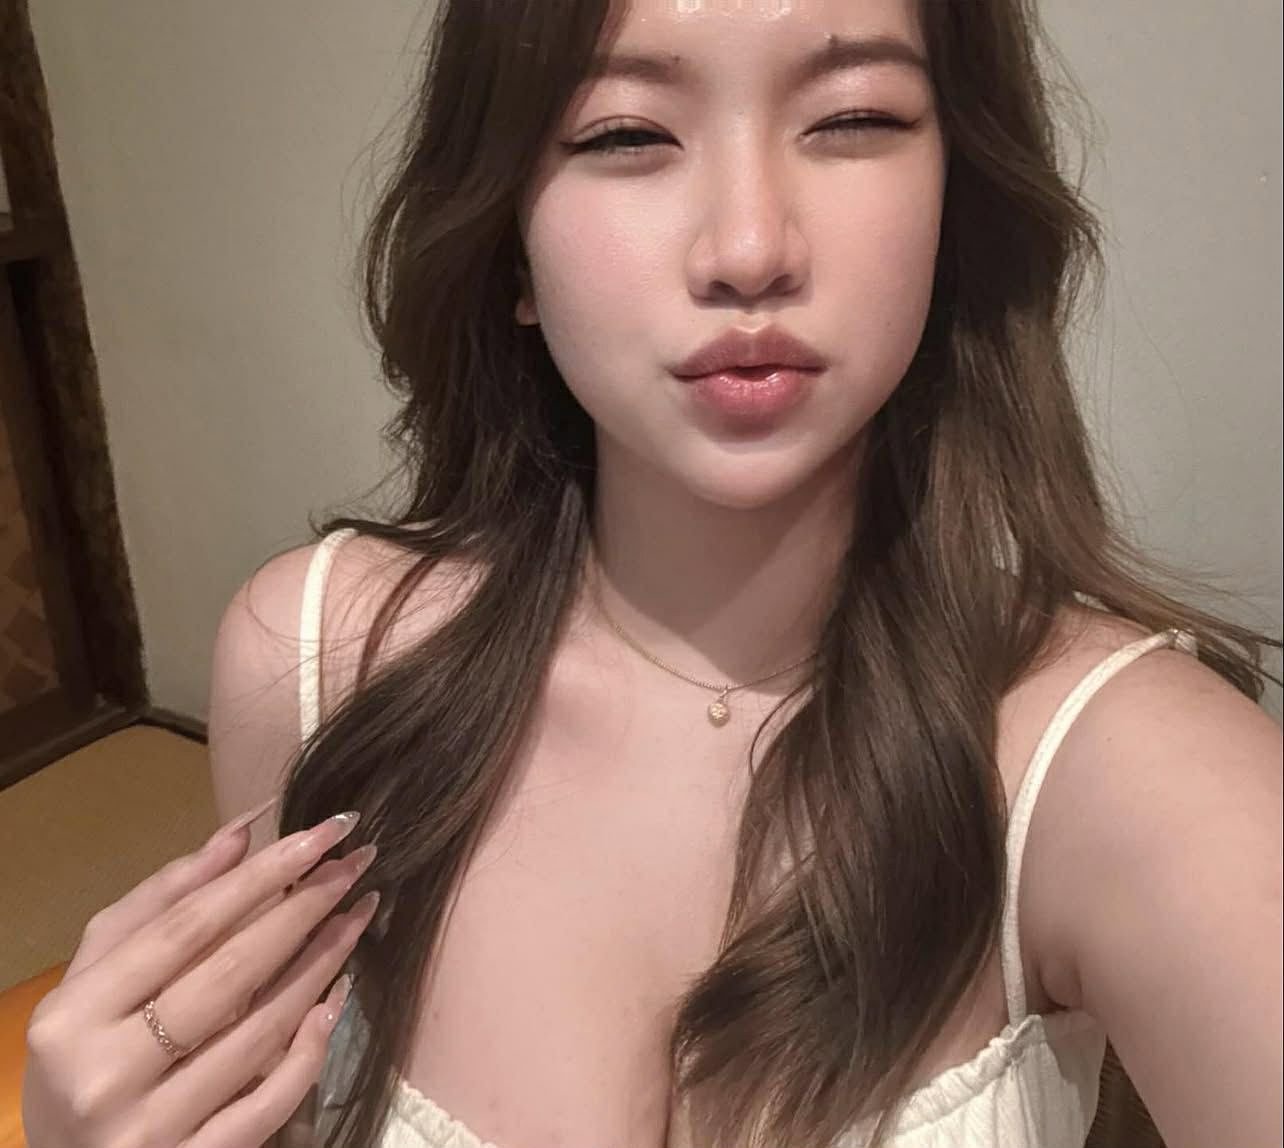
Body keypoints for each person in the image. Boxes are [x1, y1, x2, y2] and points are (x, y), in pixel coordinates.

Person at [21, 0, 1282, 1146]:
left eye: (853, 118)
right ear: (510, 242)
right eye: (625, 133)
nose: (749, 247)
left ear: (958, 198)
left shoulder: (1129, 771)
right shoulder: (313, 664)